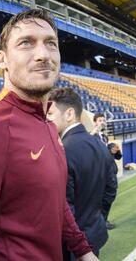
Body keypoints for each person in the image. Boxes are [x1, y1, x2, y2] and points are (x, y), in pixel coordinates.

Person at [0, 9, 98, 261]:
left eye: (50, 44)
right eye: (26, 43)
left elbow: (55, 200)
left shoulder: (46, 123)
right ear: (1, 59)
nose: (43, 54)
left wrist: (83, 250)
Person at [47, 87, 117, 259]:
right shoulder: (99, 144)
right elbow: (111, 188)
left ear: (69, 114)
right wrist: (98, 217)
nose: (46, 119)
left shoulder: (62, 152)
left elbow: (64, 208)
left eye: (50, 114)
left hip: (73, 247)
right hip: (94, 234)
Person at [105, 142, 122, 230]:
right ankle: (103, 222)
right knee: (105, 203)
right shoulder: (106, 154)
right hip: (108, 182)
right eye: (113, 148)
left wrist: (117, 150)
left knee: (108, 202)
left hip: (111, 181)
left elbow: (118, 157)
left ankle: (104, 221)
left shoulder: (110, 153)